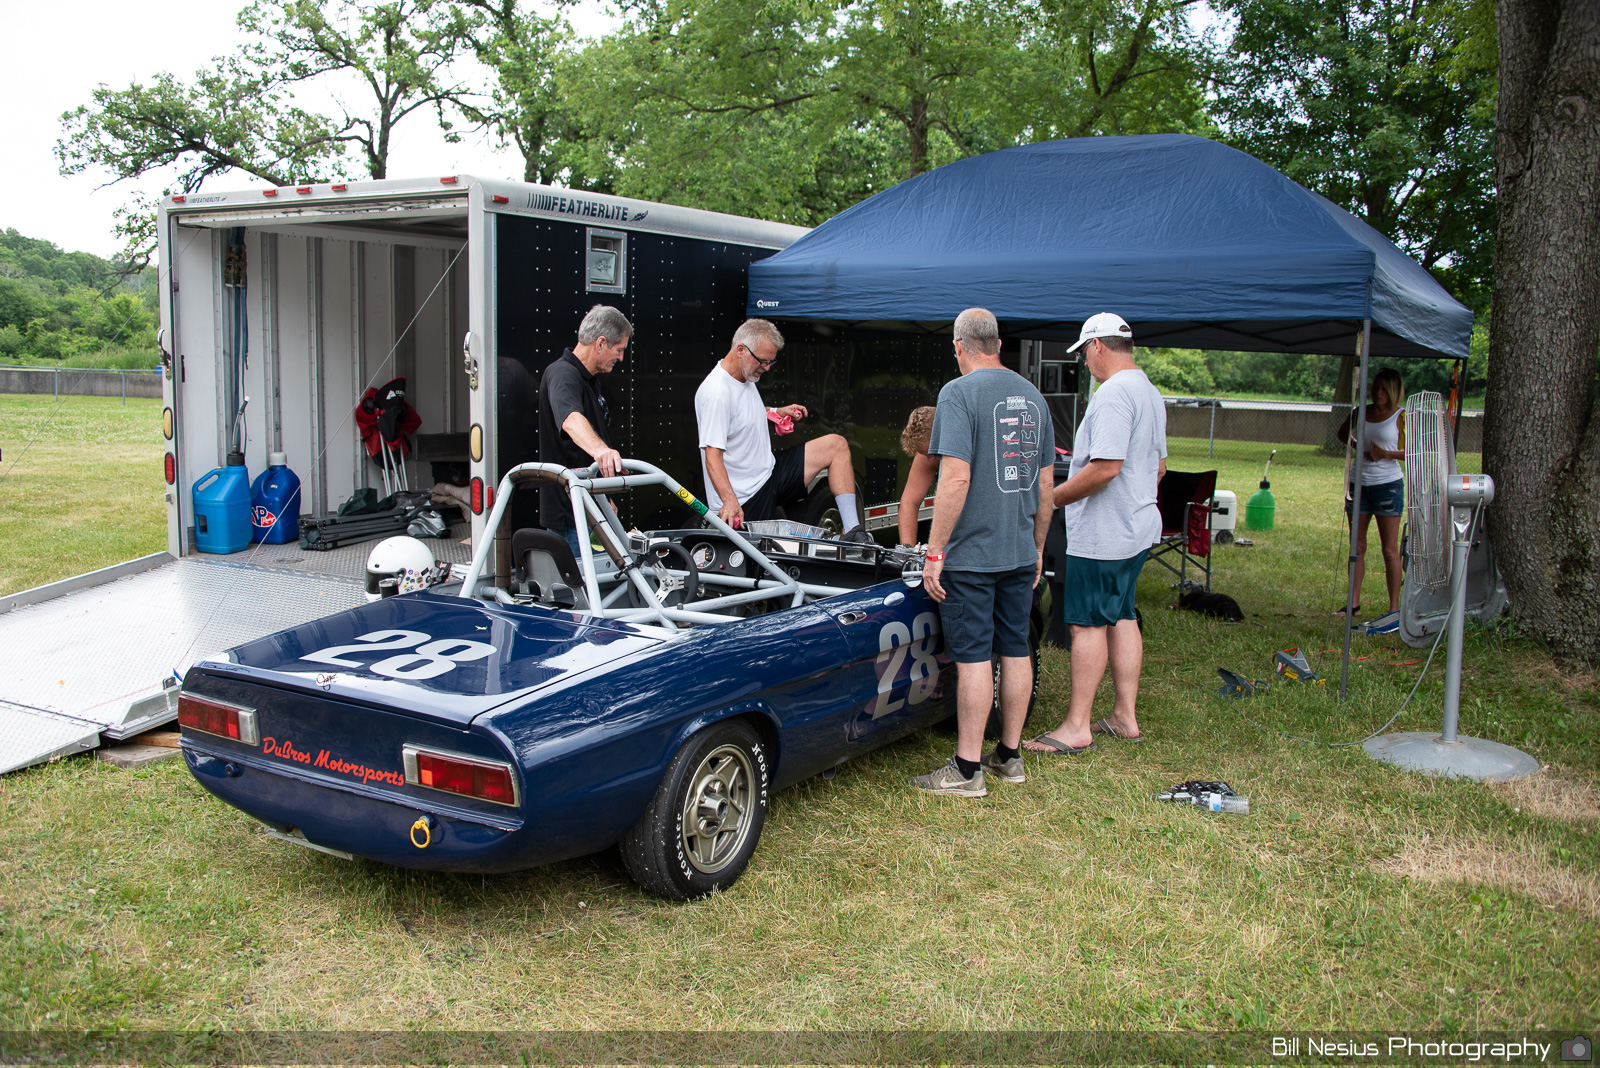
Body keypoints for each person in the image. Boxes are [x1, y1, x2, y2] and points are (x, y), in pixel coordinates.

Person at [913, 309, 1054, 798]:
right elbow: (1045, 484)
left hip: (971, 557)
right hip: (1018, 551)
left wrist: (934, 552)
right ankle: (1009, 758)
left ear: (959, 347)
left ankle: (968, 769)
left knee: (973, 657)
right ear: (997, 342)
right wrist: (1037, 547)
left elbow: (955, 477)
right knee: (1015, 647)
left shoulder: (958, 394)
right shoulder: (1034, 396)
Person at [1025, 312, 1165, 754]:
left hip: (1106, 535)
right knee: (1121, 614)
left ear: (1098, 346)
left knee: (1086, 626)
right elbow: (1158, 467)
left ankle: (1076, 727)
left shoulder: (1113, 395)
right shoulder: (1149, 391)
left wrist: (1053, 499)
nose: (1085, 362)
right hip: (1138, 526)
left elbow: (1105, 467)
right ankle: (1125, 715)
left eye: (1085, 352)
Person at [695, 318, 867, 539]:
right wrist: (730, 501)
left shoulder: (744, 375)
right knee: (760, 567)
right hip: (746, 497)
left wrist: (775, 411)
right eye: (763, 362)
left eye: (770, 362)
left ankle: (853, 531)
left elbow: (739, 413)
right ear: (740, 350)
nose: (766, 368)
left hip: (769, 473)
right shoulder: (717, 393)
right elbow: (712, 456)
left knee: (837, 445)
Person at [538, 304, 630, 558]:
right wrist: (602, 451)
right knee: (584, 593)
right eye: (619, 349)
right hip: (571, 517)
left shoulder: (589, 380)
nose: (621, 358)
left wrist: (604, 495)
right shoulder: (563, 374)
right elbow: (570, 419)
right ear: (600, 344)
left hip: (590, 508)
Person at [1335, 367, 1406, 620]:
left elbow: (1414, 452)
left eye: (1384, 389)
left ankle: (1394, 609)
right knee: (1357, 547)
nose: (1378, 393)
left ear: (1394, 391)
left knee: (1389, 550)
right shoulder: (1360, 412)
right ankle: (1352, 604)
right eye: (1375, 387)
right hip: (1358, 485)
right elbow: (1343, 434)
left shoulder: (1401, 416)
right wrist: (1358, 447)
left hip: (1388, 485)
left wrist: (1385, 454)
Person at [896, 406, 938, 548]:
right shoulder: (928, 454)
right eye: (925, 454)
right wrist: (907, 551)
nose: (930, 459)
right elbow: (909, 503)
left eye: (931, 452)